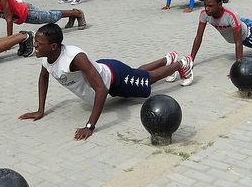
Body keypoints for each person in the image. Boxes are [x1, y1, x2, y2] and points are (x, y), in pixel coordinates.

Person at [18, 23, 193, 140]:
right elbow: (43, 78)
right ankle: (165, 60)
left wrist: (90, 126)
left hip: (115, 77)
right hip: (103, 69)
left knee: (149, 79)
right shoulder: (45, 56)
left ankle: (182, 63)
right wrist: (40, 110)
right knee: (137, 73)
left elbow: (101, 90)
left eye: (38, 44)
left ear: (54, 46)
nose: (35, 47)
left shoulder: (74, 57)